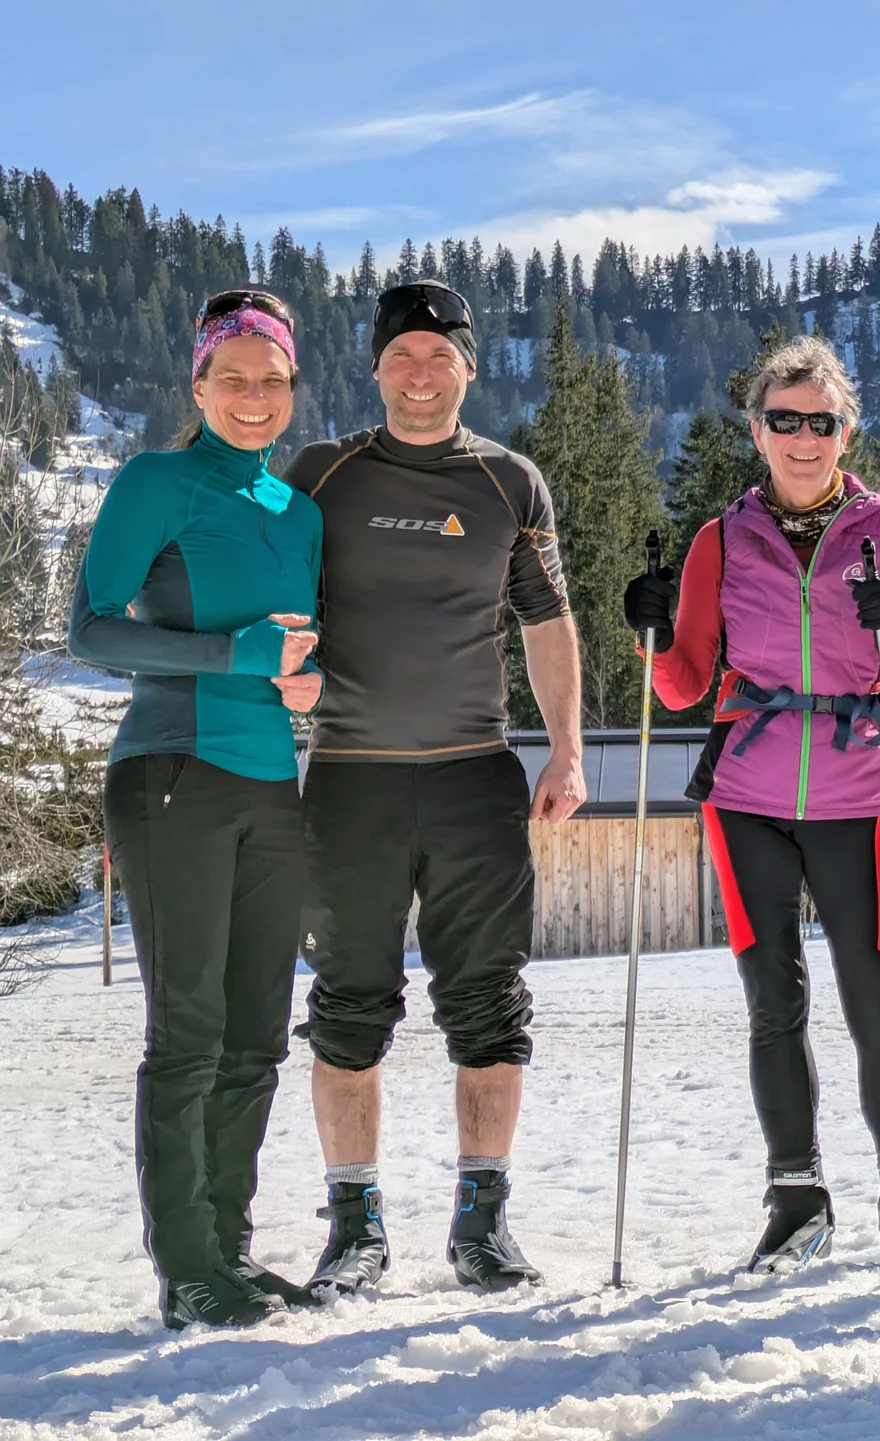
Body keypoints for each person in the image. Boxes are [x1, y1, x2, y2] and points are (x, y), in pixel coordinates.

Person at [621, 335, 880, 1270]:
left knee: (877, 1005)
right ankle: (797, 1196)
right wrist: (650, 633)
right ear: (757, 430)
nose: (804, 438)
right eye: (784, 420)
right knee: (775, 1004)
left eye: (821, 421)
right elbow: (686, 685)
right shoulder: (720, 540)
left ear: (845, 430)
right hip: (749, 801)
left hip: (856, 796)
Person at [286, 279, 585, 1294]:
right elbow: (280, 605)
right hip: (349, 781)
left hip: (473, 779)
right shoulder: (322, 473)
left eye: (440, 355)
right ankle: (354, 1225)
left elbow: (547, 620)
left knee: (489, 1004)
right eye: (402, 355)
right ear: (375, 367)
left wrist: (569, 749)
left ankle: (482, 1224)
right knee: (348, 1005)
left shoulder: (510, 482)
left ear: (468, 365)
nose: (421, 373)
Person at [69, 291, 324, 1327]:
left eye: (272, 380)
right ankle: (184, 1265)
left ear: (292, 388)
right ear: (199, 385)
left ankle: (228, 1244)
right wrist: (239, 655)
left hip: (272, 783)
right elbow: (90, 630)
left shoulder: (297, 512)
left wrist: (304, 679)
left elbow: (294, 650)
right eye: (234, 378)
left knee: (260, 1033)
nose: (254, 398)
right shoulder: (157, 482)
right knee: (192, 1031)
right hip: (171, 771)